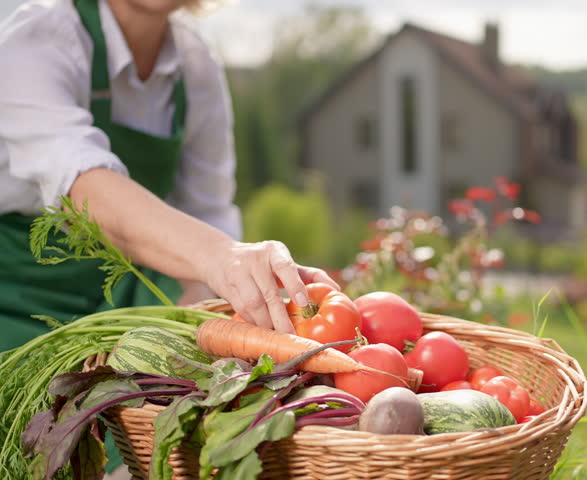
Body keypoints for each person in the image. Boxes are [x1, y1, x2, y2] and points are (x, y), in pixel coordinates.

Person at [0, 0, 336, 474]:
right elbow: (84, 187)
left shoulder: (195, 65)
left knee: (138, 443)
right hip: (14, 302)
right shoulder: (37, 38)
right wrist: (223, 257)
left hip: (127, 302)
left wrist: (219, 334)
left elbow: (207, 208)